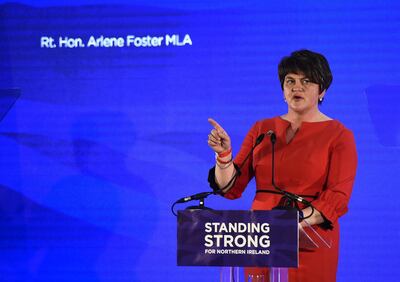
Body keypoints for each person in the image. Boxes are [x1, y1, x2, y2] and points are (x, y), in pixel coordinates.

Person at [207, 49, 357, 282]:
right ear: (283, 90)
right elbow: (230, 188)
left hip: (309, 238)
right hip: (261, 237)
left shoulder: (339, 135)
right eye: (290, 81)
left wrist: (291, 225)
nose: (297, 87)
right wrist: (224, 155)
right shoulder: (261, 129)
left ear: (322, 90)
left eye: (306, 81)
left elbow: (337, 197)